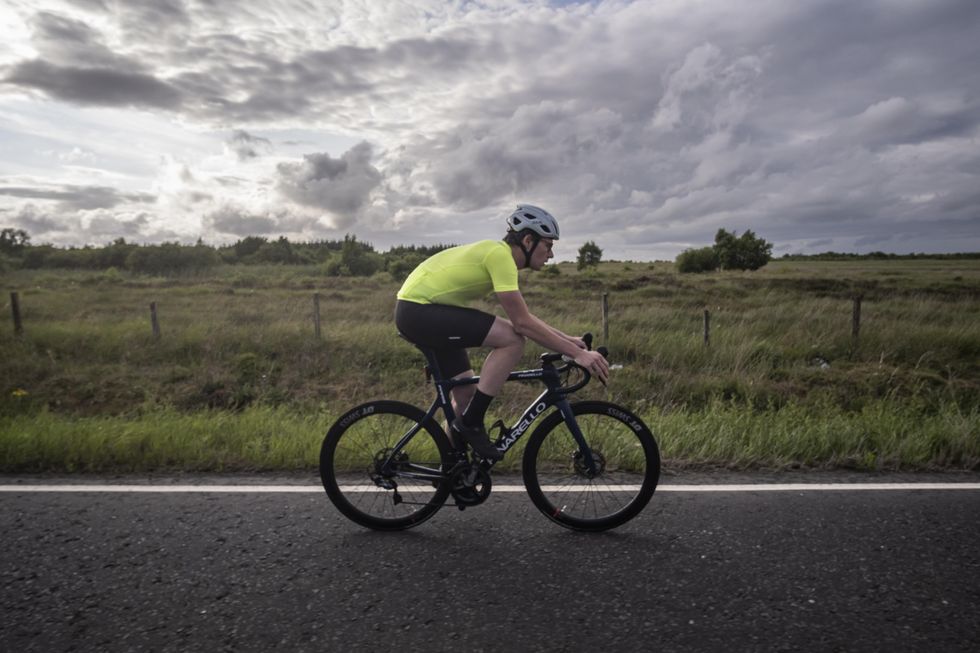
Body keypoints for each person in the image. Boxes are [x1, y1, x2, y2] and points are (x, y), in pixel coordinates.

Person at [395, 204, 609, 461]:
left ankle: (453, 468)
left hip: (421, 311)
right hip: (419, 311)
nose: (551, 254)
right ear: (528, 240)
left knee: (464, 395)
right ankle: (472, 422)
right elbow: (521, 325)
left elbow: (524, 318)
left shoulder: (497, 254)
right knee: (512, 340)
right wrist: (576, 354)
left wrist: (568, 341)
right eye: (548, 245)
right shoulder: (501, 256)